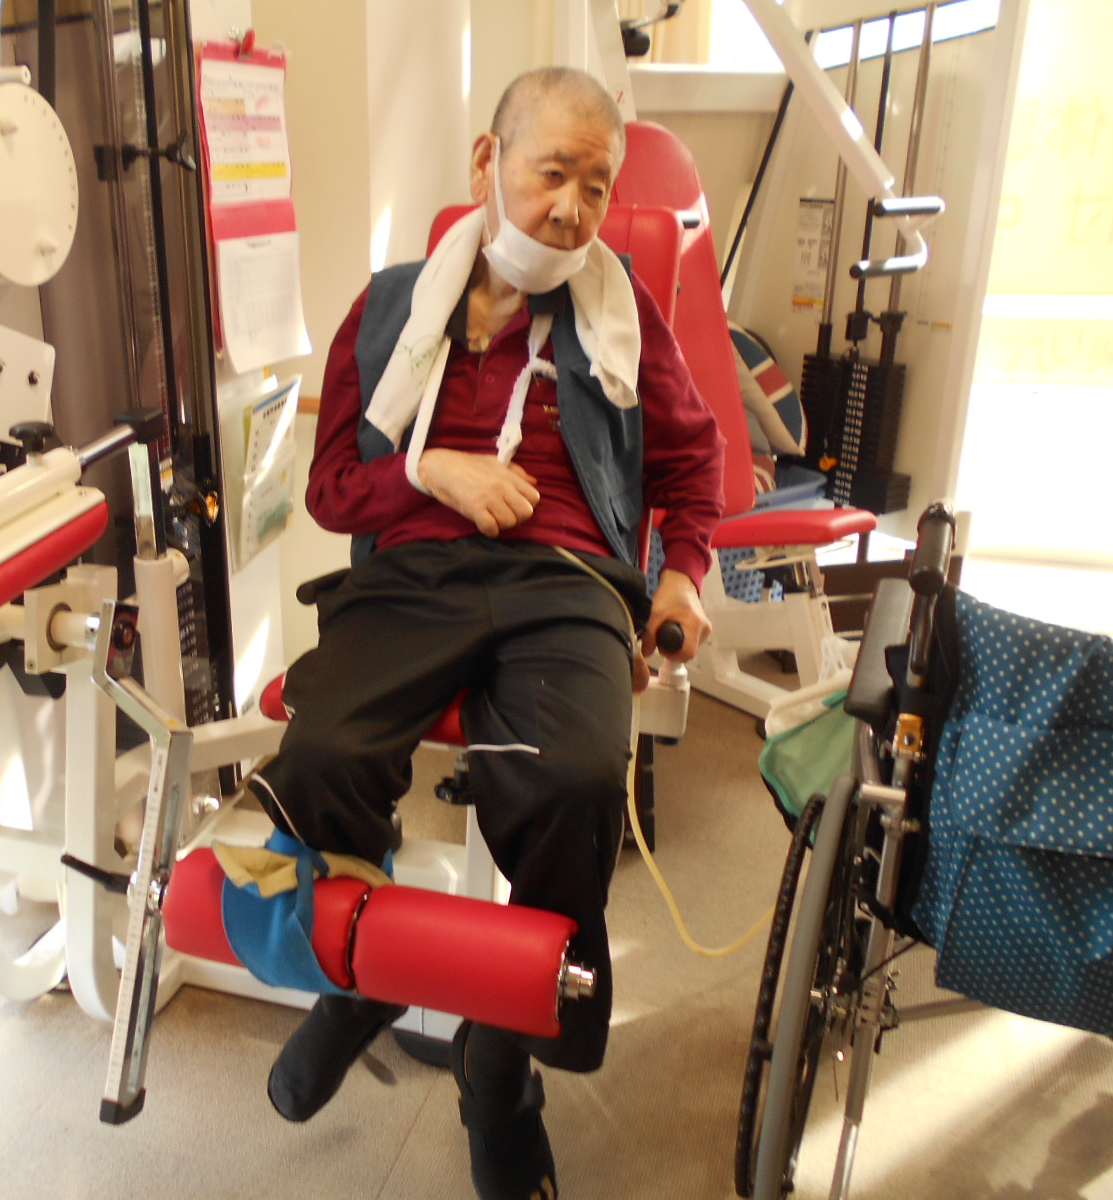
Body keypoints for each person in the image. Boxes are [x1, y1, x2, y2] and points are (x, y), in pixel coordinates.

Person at [244, 67, 725, 1200]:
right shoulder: (390, 306)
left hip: (570, 577)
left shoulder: (620, 312)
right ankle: (362, 977)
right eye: (551, 172)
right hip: (414, 574)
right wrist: (433, 471)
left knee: (577, 781)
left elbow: (693, 461)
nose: (571, 208)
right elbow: (331, 488)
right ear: (486, 161)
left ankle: (497, 1065)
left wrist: (683, 574)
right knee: (320, 756)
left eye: (596, 187)